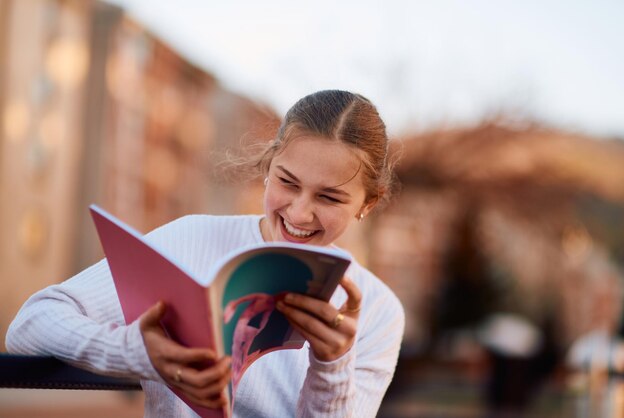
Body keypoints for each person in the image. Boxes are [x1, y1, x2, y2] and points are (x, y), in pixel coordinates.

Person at [6, 90, 405, 417]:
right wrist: (139, 354)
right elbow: (29, 325)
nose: (299, 212)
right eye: (287, 182)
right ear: (269, 165)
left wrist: (331, 364)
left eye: (329, 197)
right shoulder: (191, 239)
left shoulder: (379, 311)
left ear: (367, 204)